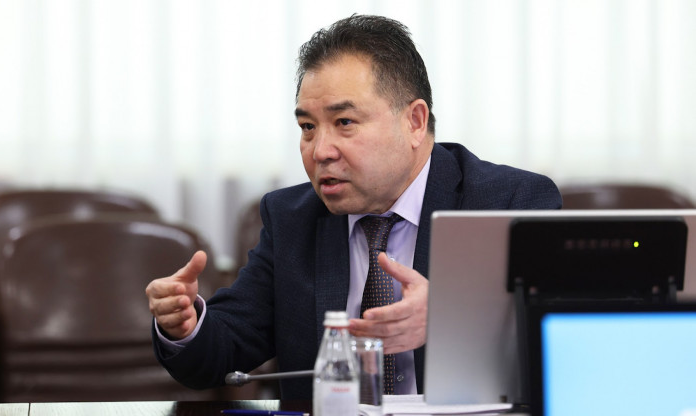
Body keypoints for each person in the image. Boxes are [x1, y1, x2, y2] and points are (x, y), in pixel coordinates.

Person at [145, 14, 562, 400]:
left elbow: (559, 345)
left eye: (344, 122)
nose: (320, 151)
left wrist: (450, 320)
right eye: (308, 127)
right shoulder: (292, 218)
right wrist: (183, 325)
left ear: (415, 122)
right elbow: (224, 350)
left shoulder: (508, 204)